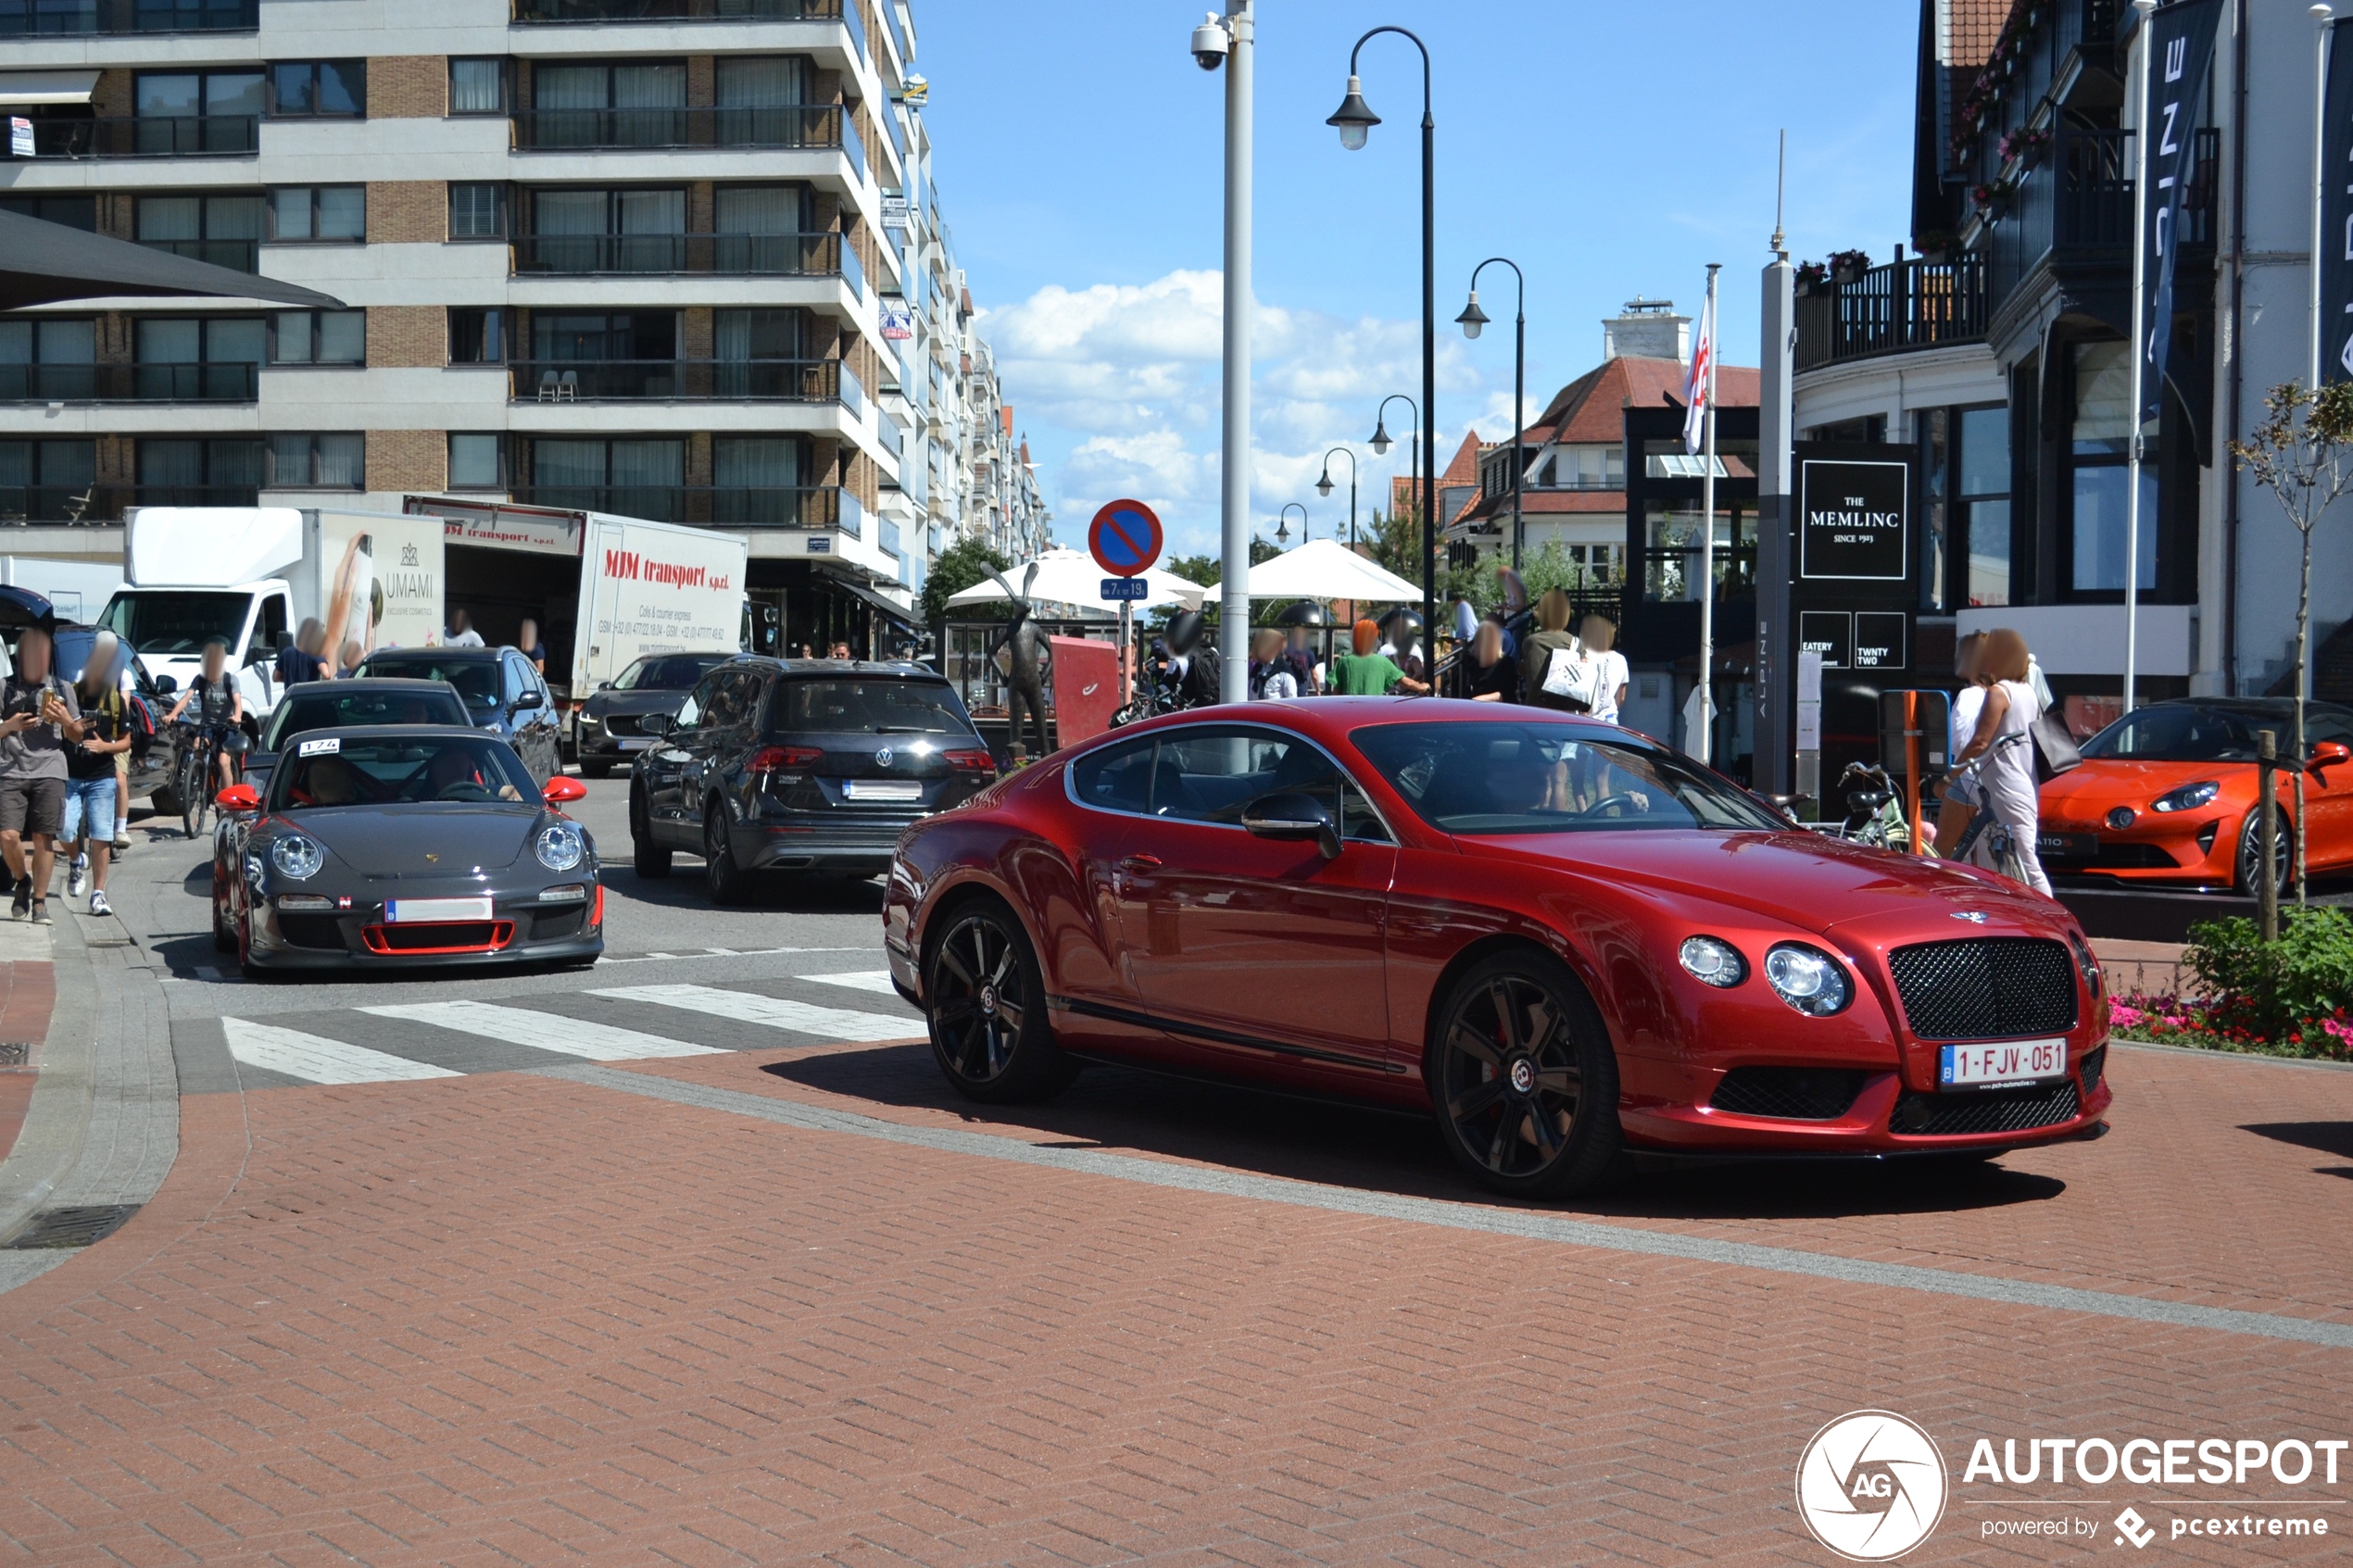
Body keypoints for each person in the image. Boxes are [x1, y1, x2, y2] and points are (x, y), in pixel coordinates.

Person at [1951, 626, 2051, 896]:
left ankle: (2054, 924)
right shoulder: (2027, 691)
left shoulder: (1999, 692)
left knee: (2024, 863)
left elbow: (1979, 742)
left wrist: (1950, 774)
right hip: (2023, 784)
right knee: (2007, 863)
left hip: (2004, 788)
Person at [0, 626, 87, 924]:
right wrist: (9, 726)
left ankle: (39, 902)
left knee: (43, 839)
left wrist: (66, 721)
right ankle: (21, 880)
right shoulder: (5, 688)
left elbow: (77, 737)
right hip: (10, 769)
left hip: (50, 769)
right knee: (7, 836)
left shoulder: (63, 689)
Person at [64, 630, 130, 916]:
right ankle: (77, 860)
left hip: (102, 776)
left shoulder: (116, 700)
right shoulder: (72, 693)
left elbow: (127, 741)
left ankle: (99, 894)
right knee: (64, 828)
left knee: (102, 834)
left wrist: (105, 746)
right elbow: (63, 731)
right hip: (72, 774)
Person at [1932, 633, 1989, 859]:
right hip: (2001, 782)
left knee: (1940, 854)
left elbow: (1957, 740)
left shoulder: (1969, 695)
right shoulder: (2005, 693)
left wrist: (1946, 777)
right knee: (1987, 856)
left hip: (1968, 779)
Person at [164, 638, 245, 794]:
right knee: (197, 747)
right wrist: (173, 715)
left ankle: (228, 798)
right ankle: (200, 783)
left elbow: (237, 702)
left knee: (223, 761)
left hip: (227, 725)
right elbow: (186, 698)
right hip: (207, 724)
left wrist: (237, 717)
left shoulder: (230, 680)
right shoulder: (200, 680)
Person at [1521, 589, 1588, 712]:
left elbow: (1524, 671)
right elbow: (1585, 678)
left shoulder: (1530, 642)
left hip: (1535, 710)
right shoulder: (1575, 643)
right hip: (1566, 711)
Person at [1328, 619, 1429, 696]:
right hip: (1374, 710)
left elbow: (1336, 692)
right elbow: (1406, 682)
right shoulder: (1382, 661)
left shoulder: (1344, 661)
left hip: (1350, 711)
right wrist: (1421, 687)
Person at [1579, 614, 1629, 724]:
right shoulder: (1621, 660)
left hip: (1586, 719)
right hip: (1610, 719)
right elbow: (1621, 697)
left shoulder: (1584, 656)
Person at [1466, 619, 1519, 702]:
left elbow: (1505, 694)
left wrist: (1476, 700)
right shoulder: (1473, 664)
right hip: (1478, 709)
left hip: (1502, 710)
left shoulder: (1506, 663)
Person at [276, 618, 330, 691]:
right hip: (309, 696)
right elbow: (326, 675)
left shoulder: (286, 652)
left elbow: (276, 677)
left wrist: (291, 681)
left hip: (292, 696)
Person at [1248, 629, 1299, 700]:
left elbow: (1291, 698)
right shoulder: (1257, 668)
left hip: (1275, 710)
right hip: (1256, 709)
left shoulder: (1284, 670)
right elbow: (1251, 693)